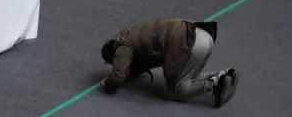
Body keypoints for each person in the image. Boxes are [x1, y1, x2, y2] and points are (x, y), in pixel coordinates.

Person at [99, 18, 239, 108]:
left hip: (188, 45)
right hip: (202, 35)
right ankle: (226, 74)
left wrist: (108, 83)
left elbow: (118, 75)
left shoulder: (123, 46)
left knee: (175, 90)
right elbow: (137, 66)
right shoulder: (135, 34)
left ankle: (215, 83)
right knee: (188, 76)